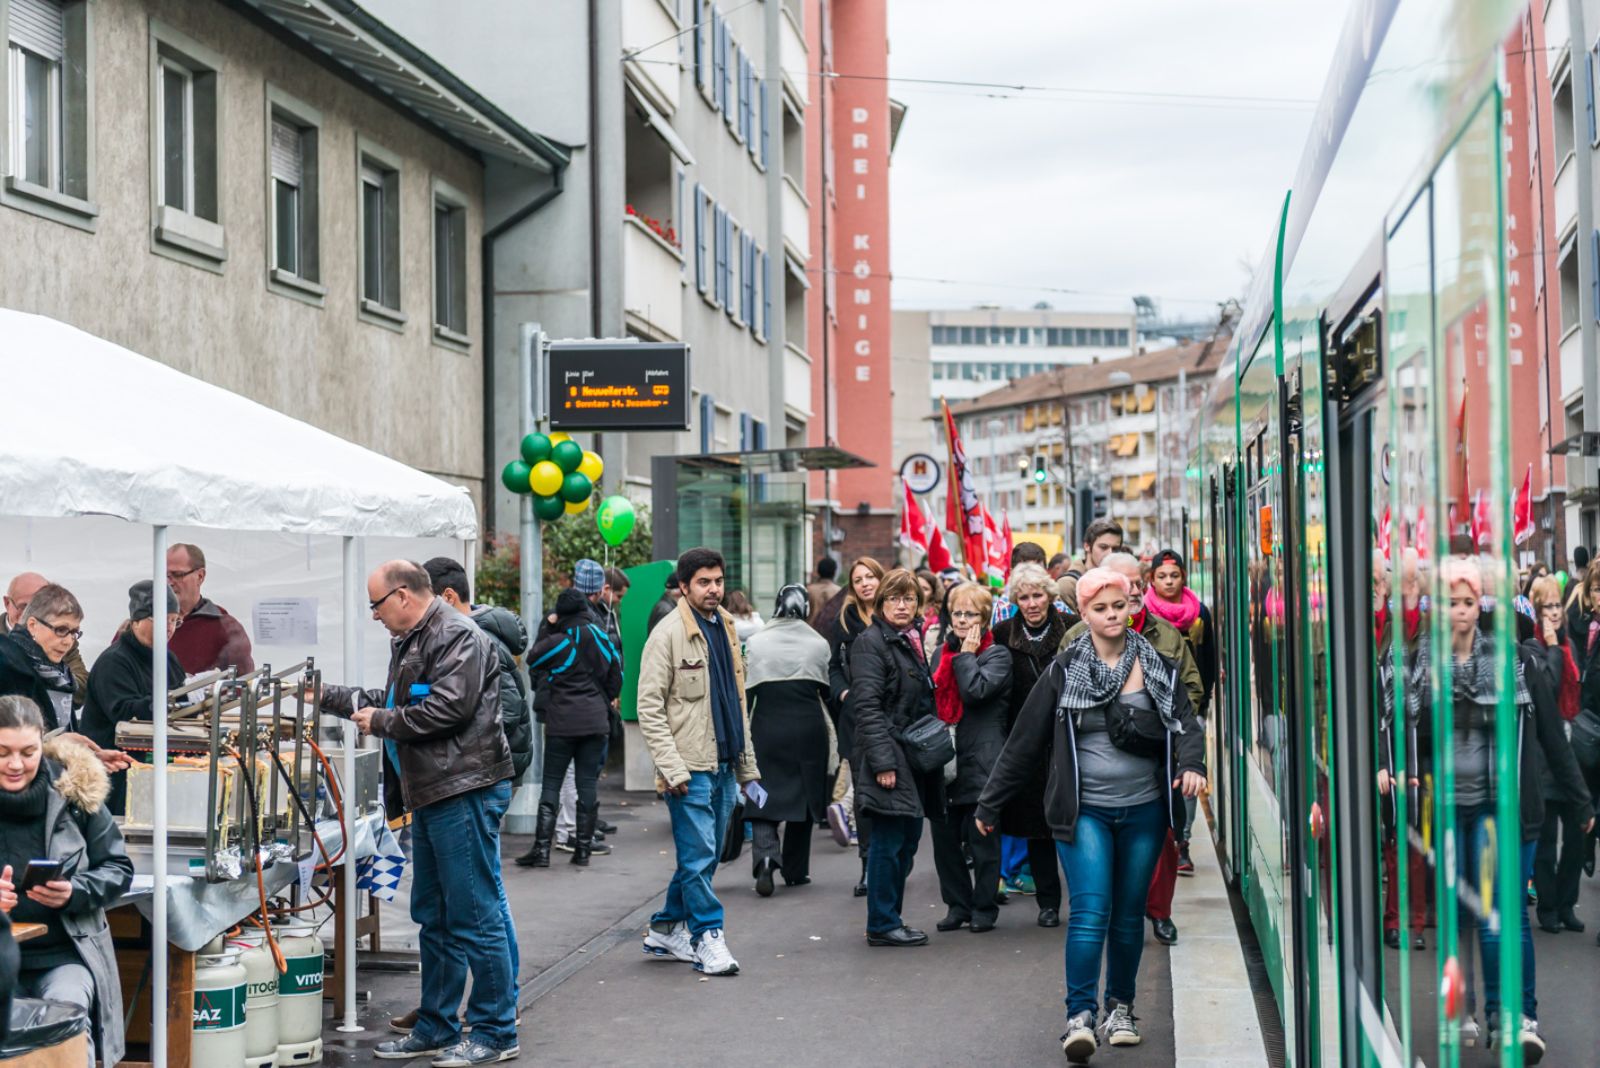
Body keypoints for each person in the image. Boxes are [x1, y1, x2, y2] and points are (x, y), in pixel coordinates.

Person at [977, 568, 1205, 1058]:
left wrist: (1192, 765)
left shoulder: (1158, 664)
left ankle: (1120, 1009)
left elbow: (1187, 722)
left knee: (1127, 916)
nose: (1111, 616)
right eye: (1099, 609)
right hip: (1084, 813)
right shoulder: (1064, 670)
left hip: (1144, 810)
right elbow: (1023, 741)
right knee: (1090, 911)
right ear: (1083, 614)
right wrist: (990, 802)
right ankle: (1079, 1018)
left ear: (1130, 608)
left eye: (1118, 607)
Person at [323, 561, 517, 1065]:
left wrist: (382, 720)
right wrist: (327, 697)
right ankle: (436, 1025)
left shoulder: (458, 636)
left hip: (463, 791)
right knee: (434, 915)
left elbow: (446, 710)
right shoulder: (415, 638)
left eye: (376, 605)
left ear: (403, 595)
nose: (374, 616)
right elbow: (395, 702)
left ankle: (496, 1031)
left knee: (473, 915)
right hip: (436, 793)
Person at [1408, 558, 1585, 1059]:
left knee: (1494, 916)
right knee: (1464, 915)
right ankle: (1473, 1010)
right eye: (1451, 604)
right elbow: (1408, 731)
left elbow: (1546, 730)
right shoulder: (1425, 661)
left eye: (1469, 603)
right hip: (1448, 810)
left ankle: (1507, 1018)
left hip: (1494, 809)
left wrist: (1578, 798)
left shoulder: (1509, 659)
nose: (1461, 613)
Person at [1060, 552, 1203, 946]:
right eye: (1118, 587)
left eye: (1135, 585)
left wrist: (1156, 719)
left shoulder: (1165, 635)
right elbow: (1057, 705)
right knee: (1104, 883)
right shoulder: (1074, 639)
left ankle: (1160, 913)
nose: (1132, 592)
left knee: (1163, 848)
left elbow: (1189, 690)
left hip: (1155, 763)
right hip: (1094, 790)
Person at [635, 548, 760, 977]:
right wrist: (671, 768)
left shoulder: (726, 626)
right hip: (688, 768)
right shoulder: (667, 633)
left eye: (719, 581)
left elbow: (737, 701)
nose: (714, 589)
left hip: (724, 760)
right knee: (698, 854)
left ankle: (666, 927)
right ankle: (708, 935)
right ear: (684, 586)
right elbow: (649, 706)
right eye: (704, 582)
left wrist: (747, 767)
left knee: (704, 858)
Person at [0, 696, 135, 1068]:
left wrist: (75, 892)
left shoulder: (75, 792)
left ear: (42, 744)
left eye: (28, 752)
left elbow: (117, 867)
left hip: (63, 957)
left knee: (69, 1023)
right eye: (3, 752)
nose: (15, 764)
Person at [850, 568, 943, 947]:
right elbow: (868, 708)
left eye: (908, 599)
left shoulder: (910, 637)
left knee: (907, 840)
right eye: (894, 598)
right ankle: (883, 923)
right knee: (890, 842)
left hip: (914, 754)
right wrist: (883, 763)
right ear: (880, 602)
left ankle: (889, 918)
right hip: (889, 754)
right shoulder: (870, 643)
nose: (902, 605)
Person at [991, 563, 1074, 927]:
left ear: (1050, 596)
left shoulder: (1071, 630)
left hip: (1067, 738)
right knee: (1038, 829)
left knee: (1073, 824)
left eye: (1037, 595)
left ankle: (1085, 899)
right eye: (1023, 597)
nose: (1031, 603)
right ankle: (1048, 903)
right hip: (1025, 740)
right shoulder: (1002, 633)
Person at [516, 588, 622, 868]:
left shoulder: (558, 642)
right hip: (596, 720)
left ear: (560, 614)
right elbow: (616, 671)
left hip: (561, 722)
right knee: (587, 784)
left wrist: (548, 627)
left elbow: (532, 659)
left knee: (551, 783)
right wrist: (605, 697)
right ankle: (583, 850)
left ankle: (541, 851)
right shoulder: (599, 637)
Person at [928, 582, 1011, 933]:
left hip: (981, 760)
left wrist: (966, 654)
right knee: (945, 841)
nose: (961, 621)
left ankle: (984, 908)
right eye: (957, 613)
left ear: (985, 617)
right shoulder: (940, 653)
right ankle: (957, 906)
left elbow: (975, 692)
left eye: (970, 614)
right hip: (945, 760)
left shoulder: (997, 655)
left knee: (982, 842)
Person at [743, 585, 832, 896]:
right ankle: (795, 871)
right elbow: (827, 690)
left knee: (762, 796)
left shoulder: (756, 641)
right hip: (808, 729)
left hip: (766, 729)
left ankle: (766, 858)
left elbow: (747, 693)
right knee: (803, 799)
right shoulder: (818, 643)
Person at [423, 558, 534, 785]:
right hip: (487, 767)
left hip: (489, 772)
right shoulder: (464, 635)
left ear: (448, 597)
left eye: (425, 601)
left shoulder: (478, 640)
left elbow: (508, 712)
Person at [80, 582, 186, 815]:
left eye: (174, 620)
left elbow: (184, 705)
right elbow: (125, 713)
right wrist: (171, 702)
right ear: (137, 621)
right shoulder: (114, 662)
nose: (169, 628)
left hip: (155, 770)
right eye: (162, 620)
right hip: (115, 775)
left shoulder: (168, 659)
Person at [1143, 549, 1217, 875]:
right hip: (1156, 710)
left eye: (1174, 576)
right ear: (1152, 580)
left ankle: (1182, 841)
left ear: (1183, 577)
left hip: (1192, 707)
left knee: (1188, 775)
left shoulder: (1200, 612)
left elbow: (1209, 660)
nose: (1169, 581)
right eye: (1163, 576)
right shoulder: (1141, 613)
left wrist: (1204, 702)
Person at [1523, 575, 1587, 934]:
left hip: (1571, 750)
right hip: (1545, 756)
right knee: (1546, 840)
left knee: (1577, 836)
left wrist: (1559, 648)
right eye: (1547, 607)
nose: (1554, 614)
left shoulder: (1568, 647)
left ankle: (1566, 903)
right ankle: (1547, 906)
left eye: (1556, 606)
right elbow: (1545, 688)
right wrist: (1550, 647)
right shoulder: (1533, 648)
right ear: (1536, 610)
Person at [827, 557, 885, 896]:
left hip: (890, 719)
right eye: (858, 579)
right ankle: (867, 866)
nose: (864, 583)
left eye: (870, 577)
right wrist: (843, 691)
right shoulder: (845, 622)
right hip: (856, 720)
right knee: (863, 798)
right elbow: (834, 666)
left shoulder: (894, 613)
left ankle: (890, 863)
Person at [165, 544, 254, 675]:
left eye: (177, 575)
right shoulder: (146, 622)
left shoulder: (224, 626)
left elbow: (243, 683)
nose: (169, 582)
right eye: (165, 575)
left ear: (200, 576)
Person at [3, 574, 86, 709]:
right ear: (32, 625)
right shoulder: (7, 662)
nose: (67, 641)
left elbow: (82, 687)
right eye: (24, 606)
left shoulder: (62, 643)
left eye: (74, 632)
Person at [992, 542, 1048, 625]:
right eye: (1024, 572)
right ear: (1012, 573)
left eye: (1037, 571)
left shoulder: (1060, 607)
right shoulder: (1005, 607)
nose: (1032, 604)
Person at [806, 557, 842, 631]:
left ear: (818, 571)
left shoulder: (808, 590)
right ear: (834, 572)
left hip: (810, 632)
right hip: (831, 633)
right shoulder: (839, 592)